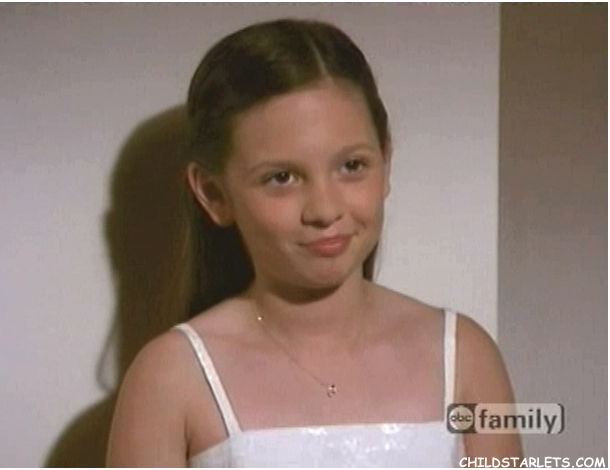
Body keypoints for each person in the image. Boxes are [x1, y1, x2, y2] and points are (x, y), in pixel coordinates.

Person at [106, 18, 522, 467]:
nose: (324, 210)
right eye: (282, 177)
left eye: (351, 166)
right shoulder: (170, 378)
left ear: (385, 162)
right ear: (214, 194)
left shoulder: (466, 358)